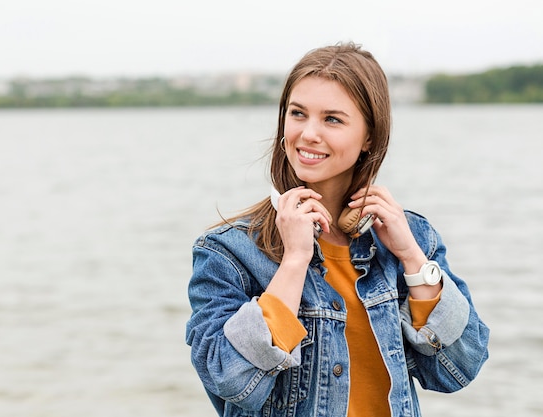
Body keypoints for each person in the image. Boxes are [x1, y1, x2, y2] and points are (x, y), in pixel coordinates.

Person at [185, 42, 489, 417]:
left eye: (332, 119)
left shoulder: (412, 238)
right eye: (298, 113)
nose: (309, 133)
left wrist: (411, 257)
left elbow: (460, 368)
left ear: (369, 138)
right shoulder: (228, 252)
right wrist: (295, 260)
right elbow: (228, 380)